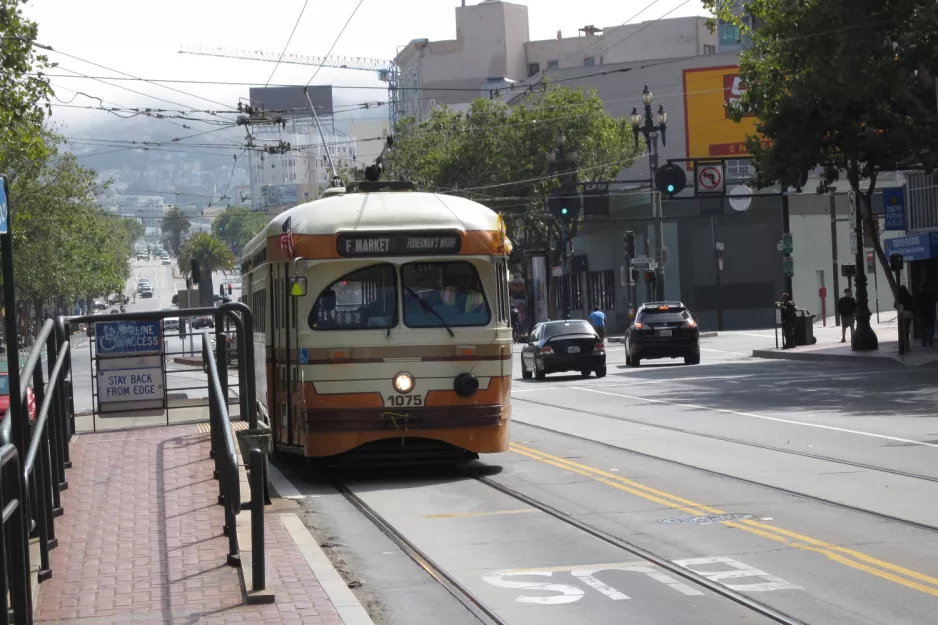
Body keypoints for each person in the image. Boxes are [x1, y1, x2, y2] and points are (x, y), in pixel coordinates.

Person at [914, 283, 935, 347]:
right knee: (931, 327)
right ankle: (930, 339)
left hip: (922, 314)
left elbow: (915, 303)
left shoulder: (919, 295)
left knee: (922, 328)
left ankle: (924, 340)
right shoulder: (931, 294)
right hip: (930, 313)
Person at [897, 285, 914, 350]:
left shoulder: (899, 298)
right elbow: (912, 305)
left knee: (902, 329)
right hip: (909, 313)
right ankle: (906, 344)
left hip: (902, 313)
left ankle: (904, 344)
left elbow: (895, 305)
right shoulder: (909, 297)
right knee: (906, 328)